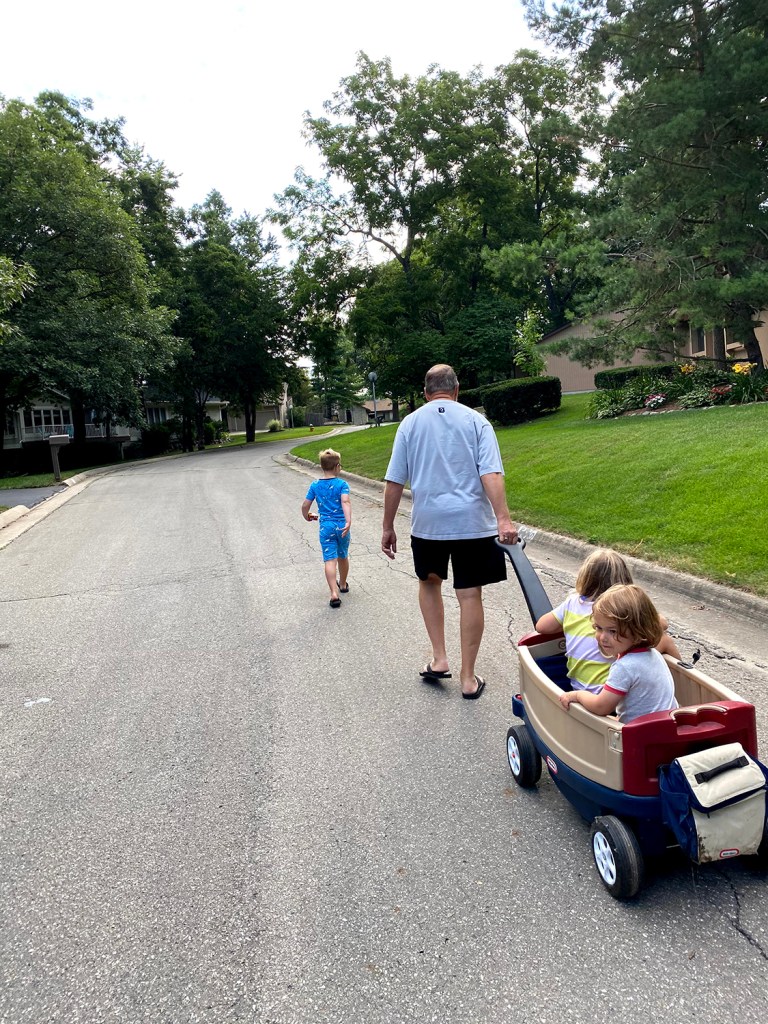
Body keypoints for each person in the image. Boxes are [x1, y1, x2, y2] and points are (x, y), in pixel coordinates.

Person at [381, 363, 519, 700]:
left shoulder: (409, 424)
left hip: (429, 524)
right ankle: (468, 678)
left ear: (425, 393)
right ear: (457, 390)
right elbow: (491, 473)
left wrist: (387, 526)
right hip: (472, 523)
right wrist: (503, 519)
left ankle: (439, 658)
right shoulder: (476, 421)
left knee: (429, 584)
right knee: (469, 594)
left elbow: (395, 480)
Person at [534, 548, 681, 692]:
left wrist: (569, 624)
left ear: (585, 578)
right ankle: (682, 684)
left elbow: (541, 626)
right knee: (664, 639)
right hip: (610, 693)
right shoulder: (623, 610)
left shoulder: (572, 603)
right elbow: (662, 624)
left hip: (578, 687)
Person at [558, 583, 678, 723]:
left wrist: (577, 695)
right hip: (668, 724)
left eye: (613, 631)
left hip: (642, 732)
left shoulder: (625, 667)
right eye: (599, 628)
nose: (603, 637)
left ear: (637, 630)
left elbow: (601, 707)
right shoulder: (653, 654)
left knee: (587, 720)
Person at [302, 448, 351, 609]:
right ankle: (342, 584)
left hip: (326, 527)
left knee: (330, 559)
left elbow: (305, 504)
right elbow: (345, 502)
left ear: (322, 467)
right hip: (342, 526)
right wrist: (348, 521)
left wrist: (307, 515)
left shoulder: (315, 485)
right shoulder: (342, 484)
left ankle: (334, 594)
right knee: (342, 556)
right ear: (337, 467)